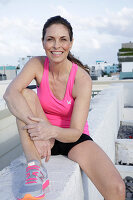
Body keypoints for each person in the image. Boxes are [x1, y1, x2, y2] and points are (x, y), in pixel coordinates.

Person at [4, 16, 125, 200]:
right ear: (43, 42)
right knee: (24, 94)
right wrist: (39, 131)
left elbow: (76, 132)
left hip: (71, 137)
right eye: (50, 39)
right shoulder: (36, 64)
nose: (56, 45)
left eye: (63, 39)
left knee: (117, 188)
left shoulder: (81, 79)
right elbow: (10, 93)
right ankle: (35, 168)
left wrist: (49, 131)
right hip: (42, 132)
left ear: (71, 43)